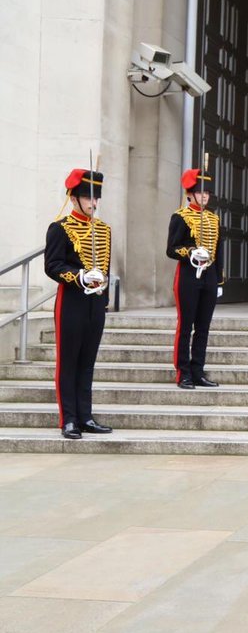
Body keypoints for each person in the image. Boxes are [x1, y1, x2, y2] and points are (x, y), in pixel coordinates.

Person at [44, 168, 114, 439]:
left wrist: (103, 293)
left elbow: (105, 266)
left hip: (95, 303)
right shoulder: (59, 228)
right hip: (71, 300)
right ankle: (69, 419)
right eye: (87, 198)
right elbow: (52, 266)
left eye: (95, 198)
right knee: (69, 361)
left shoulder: (104, 230)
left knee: (87, 362)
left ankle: (86, 416)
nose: (93, 203)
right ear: (74, 199)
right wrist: (80, 276)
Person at [167, 167, 224, 388]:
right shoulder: (180, 217)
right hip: (188, 276)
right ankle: (183, 372)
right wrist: (190, 251)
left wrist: (219, 280)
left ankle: (198, 370)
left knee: (203, 326)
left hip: (208, 275)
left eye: (207, 193)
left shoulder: (213, 218)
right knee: (186, 325)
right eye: (201, 192)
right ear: (190, 194)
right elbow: (171, 249)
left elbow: (218, 252)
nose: (205, 196)